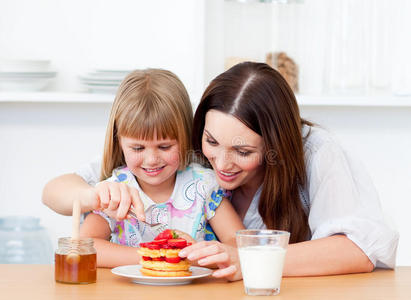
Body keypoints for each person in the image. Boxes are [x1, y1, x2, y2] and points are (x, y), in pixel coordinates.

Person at [42, 63, 398, 279]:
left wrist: (245, 257)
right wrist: (93, 196)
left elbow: (359, 250)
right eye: (212, 142)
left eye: (243, 151)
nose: (221, 165)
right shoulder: (175, 157)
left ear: (276, 146)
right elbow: (62, 192)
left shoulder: (315, 152)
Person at [66, 69, 244, 268]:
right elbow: (84, 246)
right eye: (138, 148)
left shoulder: (204, 185)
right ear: (120, 143)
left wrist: (196, 253)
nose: (151, 160)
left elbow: (238, 245)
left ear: (185, 137)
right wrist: (156, 255)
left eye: (164, 147)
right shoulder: (116, 191)